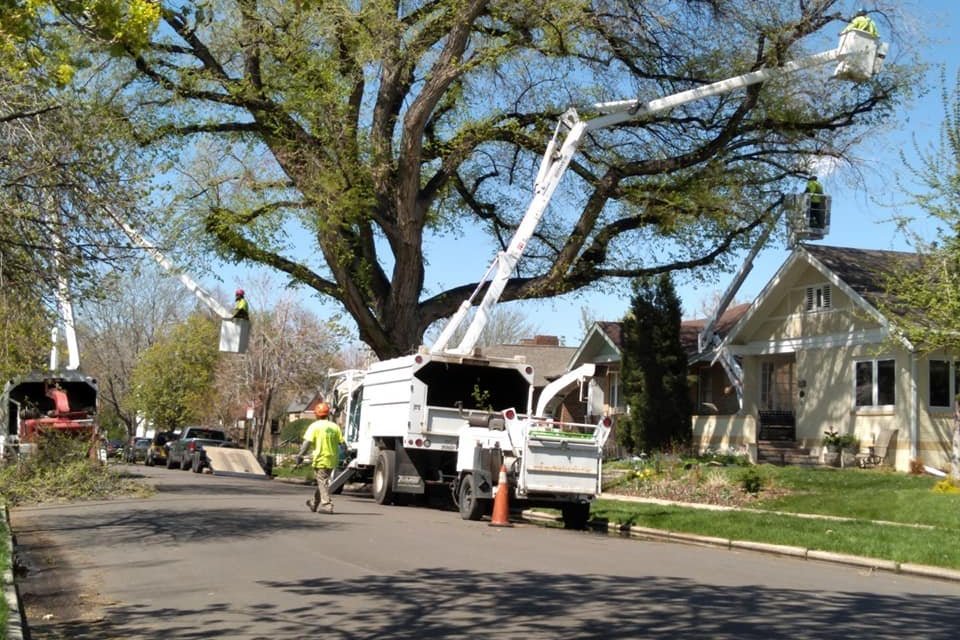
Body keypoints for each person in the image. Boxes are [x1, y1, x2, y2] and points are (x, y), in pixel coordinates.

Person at [296, 402, 344, 514]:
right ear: (327, 414)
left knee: (322, 481)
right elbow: (342, 443)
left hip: (320, 458)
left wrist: (300, 455)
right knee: (322, 481)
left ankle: (327, 505)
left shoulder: (315, 426)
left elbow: (306, 443)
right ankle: (314, 503)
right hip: (332, 459)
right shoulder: (334, 427)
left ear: (316, 414)